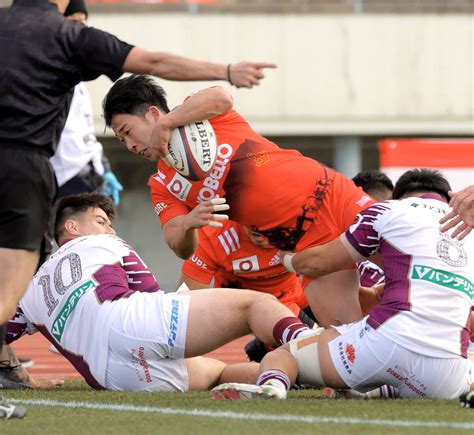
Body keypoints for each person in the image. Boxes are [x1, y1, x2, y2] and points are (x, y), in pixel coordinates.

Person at [0, 0, 274, 414]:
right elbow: (155, 59)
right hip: (22, 166)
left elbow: (216, 100)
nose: (130, 145)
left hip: (261, 253)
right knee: (7, 290)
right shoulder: (66, 35)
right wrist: (229, 70)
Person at [102, 75, 375, 331]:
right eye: (121, 139)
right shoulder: (162, 184)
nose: (129, 145)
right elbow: (177, 243)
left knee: (406, 273)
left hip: (331, 194)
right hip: (303, 242)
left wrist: (167, 124)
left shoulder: (198, 115)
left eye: (127, 132)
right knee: (346, 339)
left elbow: (222, 96)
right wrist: (188, 223)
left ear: (152, 114)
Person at [4, 193, 312, 392]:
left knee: (219, 373)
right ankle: (316, 354)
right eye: (101, 221)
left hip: (110, 377)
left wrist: (21, 375)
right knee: (256, 304)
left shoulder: (31, 284)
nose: (111, 230)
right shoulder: (106, 244)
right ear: (71, 227)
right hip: (131, 323)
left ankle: (277, 380)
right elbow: (151, 293)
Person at [211, 169, 474, 401]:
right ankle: (380, 389)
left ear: (396, 197)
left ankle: (273, 386)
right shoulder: (470, 231)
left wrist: (288, 259)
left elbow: (319, 263)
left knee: (283, 356)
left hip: (383, 341)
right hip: (448, 365)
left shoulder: (387, 210)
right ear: (449, 198)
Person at [178, 219, 315, 361]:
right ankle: (266, 346)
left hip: (297, 290)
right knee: (305, 353)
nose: (260, 224)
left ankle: (264, 348)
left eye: (268, 214)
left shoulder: (306, 220)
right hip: (242, 305)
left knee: (331, 338)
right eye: (250, 211)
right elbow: (183, 307)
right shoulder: (214, 233)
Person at [51, 0, 123, 205]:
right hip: (60, 178)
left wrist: (103, 168)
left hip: (87, 175)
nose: (81, 29)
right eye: (74, 22)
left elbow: (86, 134)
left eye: (84, 22)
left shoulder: (80, 79)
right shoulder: (47, 73)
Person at [352, 170, 393, 288]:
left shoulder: (398, 250)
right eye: (372, 209)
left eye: (386, 208)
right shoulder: (336, 255)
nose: (378, 216)